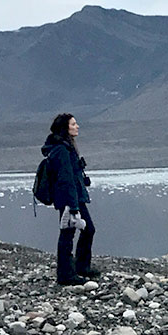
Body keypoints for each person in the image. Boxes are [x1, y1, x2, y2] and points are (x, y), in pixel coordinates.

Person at [40, 113, 98, 285]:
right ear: (65, 128)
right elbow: (66, 179)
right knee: (68, 234)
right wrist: (73, 206)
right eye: (73, 124)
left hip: (73, 197)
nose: (77, 126)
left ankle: (80, 267)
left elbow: (71, 175)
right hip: (70, 200)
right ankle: (66, 274)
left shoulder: (65, 147)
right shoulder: (62, 150)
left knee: (86, 230)